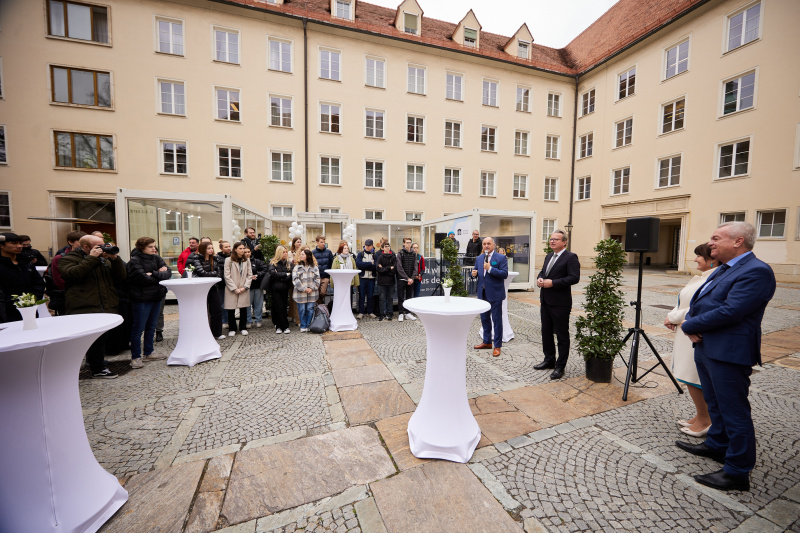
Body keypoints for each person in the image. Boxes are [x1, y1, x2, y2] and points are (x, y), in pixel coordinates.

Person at [676, 222, 776, 492]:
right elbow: (702, 302)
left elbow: (731, 311)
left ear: (738, 241)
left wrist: (689, 325)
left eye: (716, 238)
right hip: (708, 347)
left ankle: (737, 471)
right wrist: (694, 322)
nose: (710, 243)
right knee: (715, 403)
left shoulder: (757, 271)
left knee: (735, 412)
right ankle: (717, 445)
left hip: (729, 353)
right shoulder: (725, 268)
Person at [664, 244, 717, 437]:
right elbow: (685, 301)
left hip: (694, 332)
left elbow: (702, 306)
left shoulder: (715, 278)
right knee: (690, 376)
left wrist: (674, 318)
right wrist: (672, 315)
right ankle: (701, 415)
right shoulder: (704, 276)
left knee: (694, 378)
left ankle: (705, 420)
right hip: (686, 330)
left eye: (698, 256)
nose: (695, 260)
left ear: (711, 259)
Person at [59, 234, 127, 379]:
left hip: (105, 303)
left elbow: (121, 277)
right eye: (98, 245)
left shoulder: (105, 259)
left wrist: (115, 260)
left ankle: (95, 364)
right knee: (82, 340)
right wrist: (92, 258)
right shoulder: (68, 259)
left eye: (103, 244)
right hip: (84, 305)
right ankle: (93, 368)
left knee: (100, 337)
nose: (102, 248)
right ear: (85, 247)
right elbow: (73, 274)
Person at [533, 230, 581, 380]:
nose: (552, 241)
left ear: (564, 242)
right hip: (546, 301)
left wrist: (552, 283)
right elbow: (542, 272)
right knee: (546, 332)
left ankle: (560, 366)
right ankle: (549, 360)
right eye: (551, 239)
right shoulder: (548, 256)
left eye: (556, 239)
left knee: (561, 335)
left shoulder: (571, 257)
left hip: (560, 303)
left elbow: (574, 278)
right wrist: (540, 279)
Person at [126, 237, 170, 369]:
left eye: (154, 246)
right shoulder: (134, 261)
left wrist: (153, 274)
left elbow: (167, 273)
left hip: (156, 297)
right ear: (142, 247)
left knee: (151, 326)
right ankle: (136, 357)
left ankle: (149, 352)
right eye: (151, 246)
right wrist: (157, 275)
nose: (154, 249)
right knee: (138, 328)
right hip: (141, 299)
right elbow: (141, 278)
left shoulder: (156, 258)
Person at [471, 237, 508, 357]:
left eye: (489, 244)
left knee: (497, 320)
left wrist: (490, 269)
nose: (486, 246)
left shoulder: (501, 258)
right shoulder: (479, 258)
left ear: (494, 245)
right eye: (484, 244)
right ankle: (487, 342)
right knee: (484, 319)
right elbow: (477, 273)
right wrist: (474, 274)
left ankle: (497, 346)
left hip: (496, 294)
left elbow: (504, 274)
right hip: (483, 293)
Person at [0, 232, 46, 323]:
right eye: (14, 243)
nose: (19, 246)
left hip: (29, 310)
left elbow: (38, 283)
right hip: (7, 313)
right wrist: (14, 303)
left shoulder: (26, 263)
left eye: (20, 243)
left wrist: (31, 300)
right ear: (1, 245)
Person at [46, 230, 87, 315]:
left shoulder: (88, 256)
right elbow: (59, 281)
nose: (84, 244)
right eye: (80, 241)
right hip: (68, 298)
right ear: (70, 242)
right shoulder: (59, 258)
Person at [192, 241, 225, 339]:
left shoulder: (215, 259)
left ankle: (217, 333)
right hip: (201, 288)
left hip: (213, 287)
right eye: (208, 248)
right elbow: (201, 273)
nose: (211, 250)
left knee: (216, 310)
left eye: (212, 248)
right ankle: (202, 333)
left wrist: (212, 274)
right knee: (203, 311)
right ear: (203, 249)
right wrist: (213, 274)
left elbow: (219, 274)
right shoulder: (196, 258)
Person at [223, 242, 252, 336]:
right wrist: (234, 288)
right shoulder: (228, 260)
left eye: (243, 248)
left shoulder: (247, 260)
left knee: (243, 308)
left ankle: (243, 327)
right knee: (231, 309)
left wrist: (245, 287)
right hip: (232, 288)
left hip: (244, 287)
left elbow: (249, 275)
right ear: (235, 249)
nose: (243, 250)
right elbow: (227, 276)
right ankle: (232, 328)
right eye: (240, 248)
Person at [292, 249, 320, 332]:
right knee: (302, 309)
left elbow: (317, 279)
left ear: (307, 256)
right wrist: (304, 289)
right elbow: (295, 279)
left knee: (310, 309)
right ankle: (303, 325)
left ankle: (308, 325)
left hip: (312, 293)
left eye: (302, 254)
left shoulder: (314, 267)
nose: (300, 256)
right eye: (300, 254)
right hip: (300, 293)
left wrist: (311, 288)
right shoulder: (297, 267)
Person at [268, 245, 292, 334]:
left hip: (285, 288)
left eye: (286, 252)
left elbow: (290, 275)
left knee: (284, 307)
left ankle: (283, 326)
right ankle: (281, 326)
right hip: (275, 288)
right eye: (283, 252)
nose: (285, 254)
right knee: (278, 307)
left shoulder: (289, 263)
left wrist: (281, 276)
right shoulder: (272, 263)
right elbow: (272, 274)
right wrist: (285, 274)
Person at [331, 241, 360, 311]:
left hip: (349, 283)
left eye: (347, 248)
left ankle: (348, 312)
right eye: (345, 248)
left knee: (349, 298)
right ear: (341, 250)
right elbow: (333, 271)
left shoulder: (351, 259)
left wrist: (356, 283)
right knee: (340, 299)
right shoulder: (336, 259)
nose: (347, 249)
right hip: (340, 283)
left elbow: (354, 270)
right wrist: (333, 283)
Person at [395, 237, 418, 322]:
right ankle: (401, 313)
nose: (408, 244)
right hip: (402, 279)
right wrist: (407, 278)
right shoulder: (400, 253)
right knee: (400, 297)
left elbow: (416, 267)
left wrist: (411, 278)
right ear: (404, 243)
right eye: (407, 242)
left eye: (409, 242)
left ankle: (408, 313)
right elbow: (399, 268)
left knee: (409, 297)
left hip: (411, 280)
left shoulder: (413, 254)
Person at [376, 241, 400, 321]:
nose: (387, 247)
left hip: (391, 281)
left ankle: (390, 313)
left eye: (388, 246)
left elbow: (395, 270)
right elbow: (378, 269)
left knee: (390, 298)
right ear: (382, 248)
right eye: (386, 246)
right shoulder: (380, 257)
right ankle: (382, 313)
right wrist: (389, 268)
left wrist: (384, 269)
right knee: (382, 298)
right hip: (381, 282)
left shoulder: (393, 257)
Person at [244, 247, 267, 328]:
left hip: (257, 285)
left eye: (248, 252)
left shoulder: (257, 261)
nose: (247, 253)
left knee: (258, 304)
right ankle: (248, 320)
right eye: (245, 252)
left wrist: (257, 275)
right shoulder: (241, 262)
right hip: (246, 287)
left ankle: (258, 320)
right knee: (247, 305)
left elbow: (265, 269)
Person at [356, 239, 377, 318]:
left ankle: (370, 312)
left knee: (370, 296)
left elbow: (376, 266)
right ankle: (361, 312)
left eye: (369, 246)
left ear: (372, 246)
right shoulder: (360, 254)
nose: (367, 247)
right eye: (366, 245)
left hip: (371, 278)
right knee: (361, 295)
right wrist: (369, 264)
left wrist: (366, 266)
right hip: (362, 278)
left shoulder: (375, 255)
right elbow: (359, 265)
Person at [312, 235, 334, 304]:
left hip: (326, 276)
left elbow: (331, 264)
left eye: (324, 242)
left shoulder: (328, 252)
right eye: (321, 242)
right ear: (317, 242)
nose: (323, 243)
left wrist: (330, 275)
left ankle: (320, 304)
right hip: (316, 277)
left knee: (323, 293)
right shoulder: (313, 252)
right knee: (316, 293)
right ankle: (321, 306)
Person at [287, 236, 303, 324]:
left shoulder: (303, 252)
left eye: (300, 242)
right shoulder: (290, 253)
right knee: (293, 297)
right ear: (294, 243)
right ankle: (293, 315)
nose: (299, 243)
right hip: (293, 276)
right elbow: (290, 263)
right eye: (297, 242)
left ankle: (299, 316)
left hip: (302, 277)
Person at [217, 240, 232, 327]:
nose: (228, 248)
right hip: (222, 283)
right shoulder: (218, 257)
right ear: (221, 248)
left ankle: (230, 320)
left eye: (229, 246)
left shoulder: (233, 256)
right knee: (222, 303)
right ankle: (224, 321)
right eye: (226, 247)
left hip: (231, 283)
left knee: (230, 303)